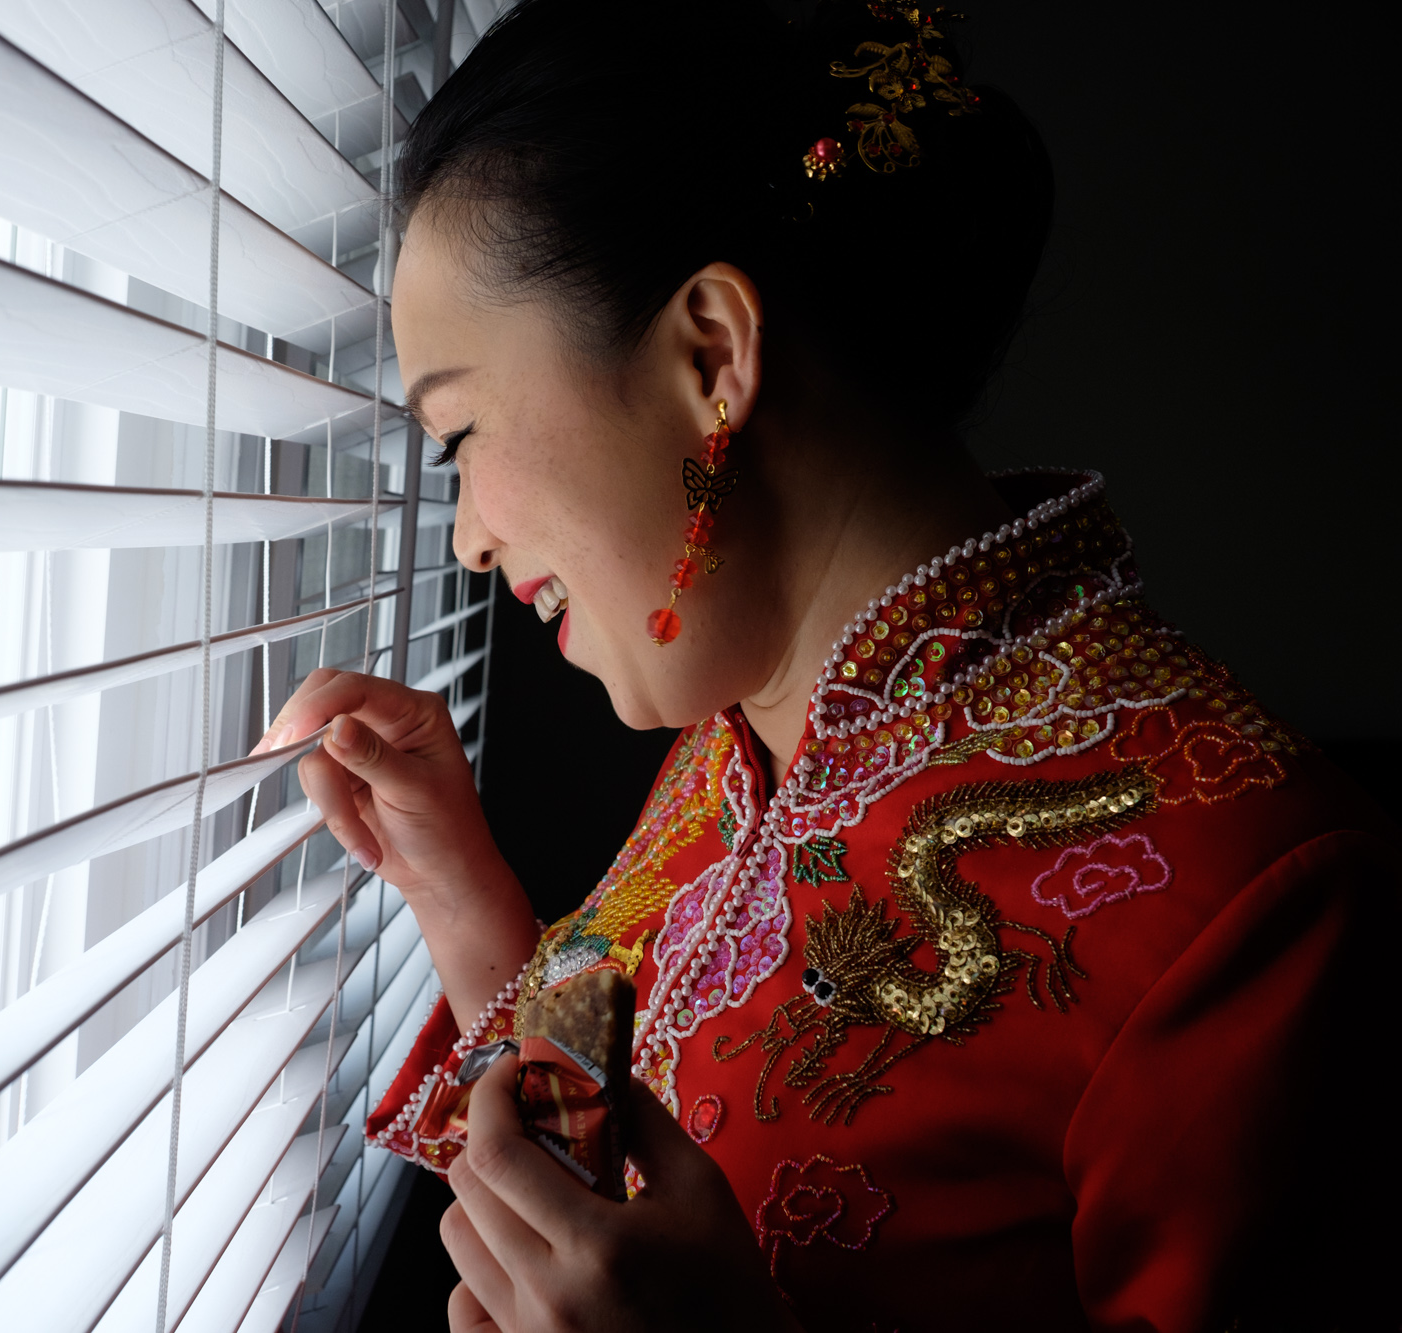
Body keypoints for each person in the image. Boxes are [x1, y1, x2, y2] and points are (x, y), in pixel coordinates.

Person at [255, 1, 1397, 1327]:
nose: (465, 540)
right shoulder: (737, 746)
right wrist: (456, 888)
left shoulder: (1264, 901)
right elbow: (602, 1166)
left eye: (458, 435)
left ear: (711, 360)